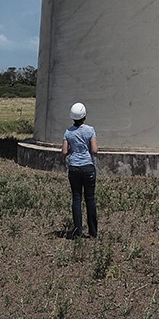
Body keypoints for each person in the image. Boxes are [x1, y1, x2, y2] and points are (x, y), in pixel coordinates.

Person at [61, 102, 98, 239]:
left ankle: (78, 231)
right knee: (90, 199)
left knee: (76, 198)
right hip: (88, 167)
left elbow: (64, 152)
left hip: (74, 167)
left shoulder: (68, 132)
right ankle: (93, 232)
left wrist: (72, 148)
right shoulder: (90, 130)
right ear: (84, 116)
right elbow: (94, 150)